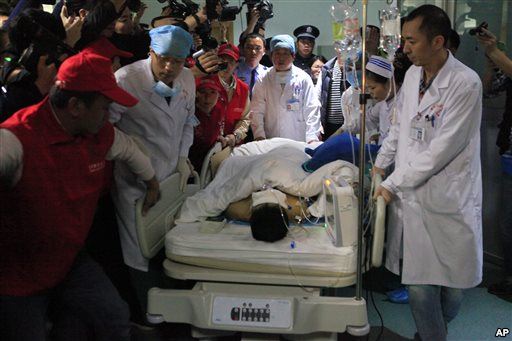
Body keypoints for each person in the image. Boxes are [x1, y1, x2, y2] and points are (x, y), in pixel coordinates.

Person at [0, 52, 159, 341]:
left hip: (69, 260)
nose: (109, 113)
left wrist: (152, 183)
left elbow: (130, 150)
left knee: (113, 316)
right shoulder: (15, 140)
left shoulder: (98, 133)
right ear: (75, 106)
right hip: (18, 276)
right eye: (104, 106)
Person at [373, 5, 483, 341]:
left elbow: (441, 150)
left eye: (411, 40)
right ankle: (431, 336)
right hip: (413, 198)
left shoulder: (465, 83)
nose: (404, 47)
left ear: (437, 41)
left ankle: (434, 330)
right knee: (420, 287)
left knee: (453, 289)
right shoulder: (410, 77)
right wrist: (380, 163)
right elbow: (398, 128)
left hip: (449, 197)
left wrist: (392, 183)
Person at [109, 24, 196, 321]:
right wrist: (136, 156)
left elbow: (188, 122)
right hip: (135, 183)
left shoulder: (186, 80)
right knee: (139, 250)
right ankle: (149, 316)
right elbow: (105, 131)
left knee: (166, 245)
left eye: (178, 61)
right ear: (150, 52)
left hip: (172, 177)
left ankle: (170, 308)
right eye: (163, 59)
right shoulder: (125, 80)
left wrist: (183, 158)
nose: (169, 67)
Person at [476, 26, 512, 296]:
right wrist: (491, 61)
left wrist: (494, 51)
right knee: (506, 219)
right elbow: (487, 90)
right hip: (508, 151)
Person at [250, 34, 321, 143]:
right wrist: (259, 135)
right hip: (270, 140)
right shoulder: (263, 79)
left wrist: (312, 138)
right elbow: (257, 110)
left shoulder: (303, 78)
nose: (281, 58)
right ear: (271, 56)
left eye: (285, 53)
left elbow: (312, 108)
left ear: (293, 56)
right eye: (277, 53)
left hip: (298, 139)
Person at [214, 43, 251, 146]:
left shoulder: (243, 89)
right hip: (207, 145)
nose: (226, 65)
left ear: (237, 64)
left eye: (230, 61)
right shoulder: (207, 84)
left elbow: (245, 119)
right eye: (222, 61)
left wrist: (234, 136)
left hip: (233, 146)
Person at [189, 75, 225, 170]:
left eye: (212, 92)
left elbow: (219, 128)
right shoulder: (190, 112)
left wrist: (219, 137)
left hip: (211, 162)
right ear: (196, 93)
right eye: (202, 91)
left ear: (218, 94)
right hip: (190, 163)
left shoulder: (219, 109)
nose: (207, 97)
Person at [236, 32, 268, 97]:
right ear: (243, 49)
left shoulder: (268, 73)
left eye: (258, 48)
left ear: (264, 51)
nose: (253, 52)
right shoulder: (234, 71)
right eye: (249, 48)